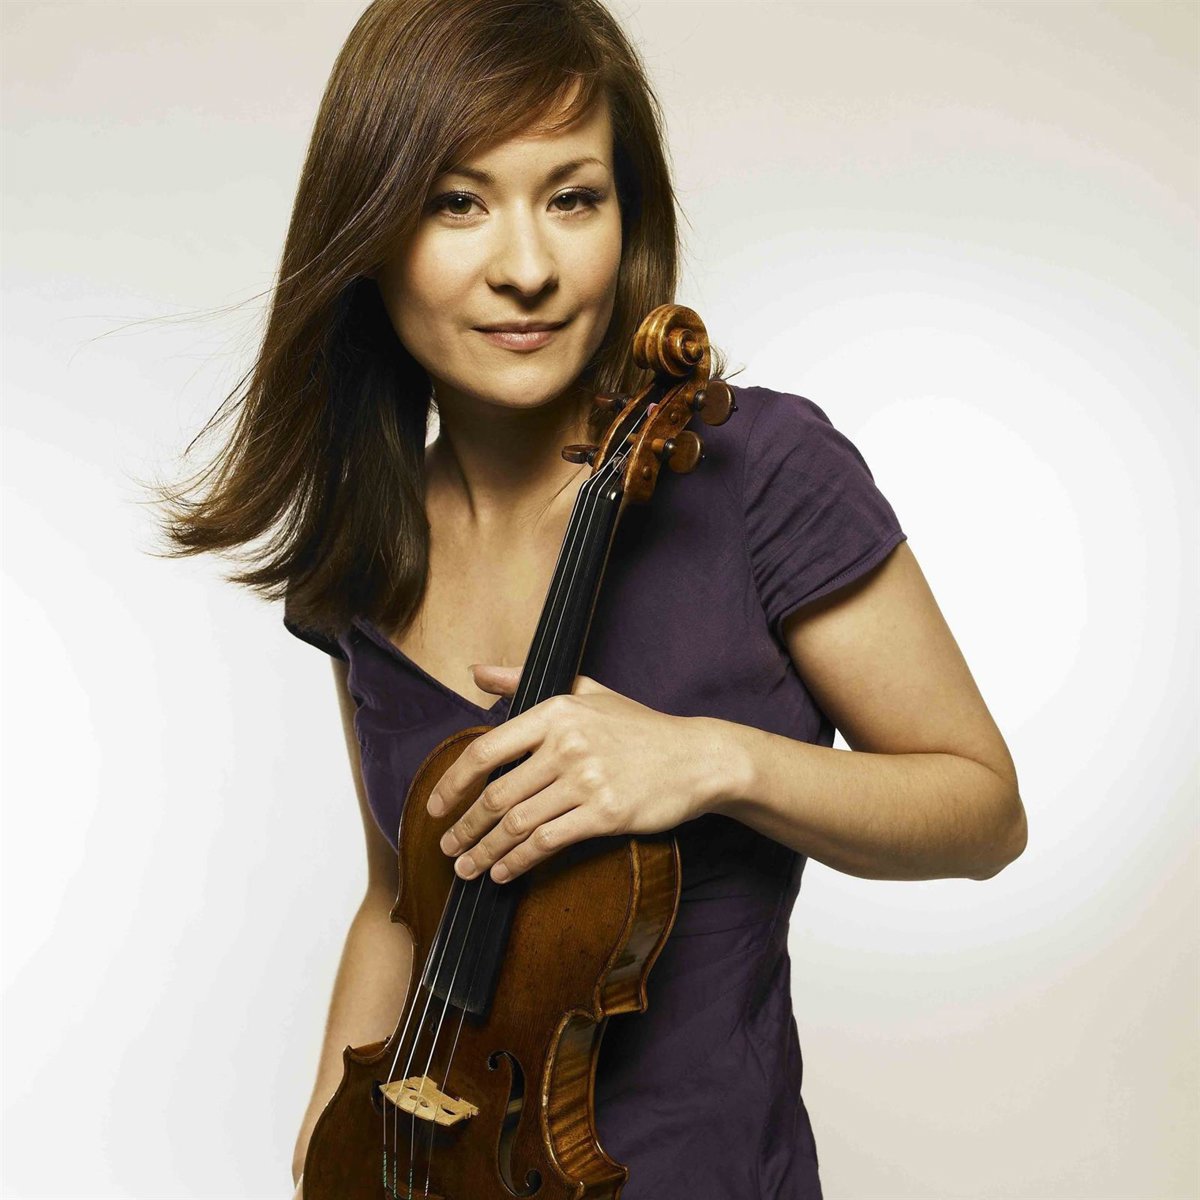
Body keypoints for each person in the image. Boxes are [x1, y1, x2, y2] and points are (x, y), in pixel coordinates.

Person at [154, 1, 1026, 1196]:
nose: (527, 269)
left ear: (629, 216)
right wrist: (328, 1143)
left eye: (572, 198)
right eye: (457, 204)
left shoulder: (761, 475)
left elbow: (983, 812)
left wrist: (713, 760)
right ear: (370, 229)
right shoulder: (368, 547)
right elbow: (398, 901)